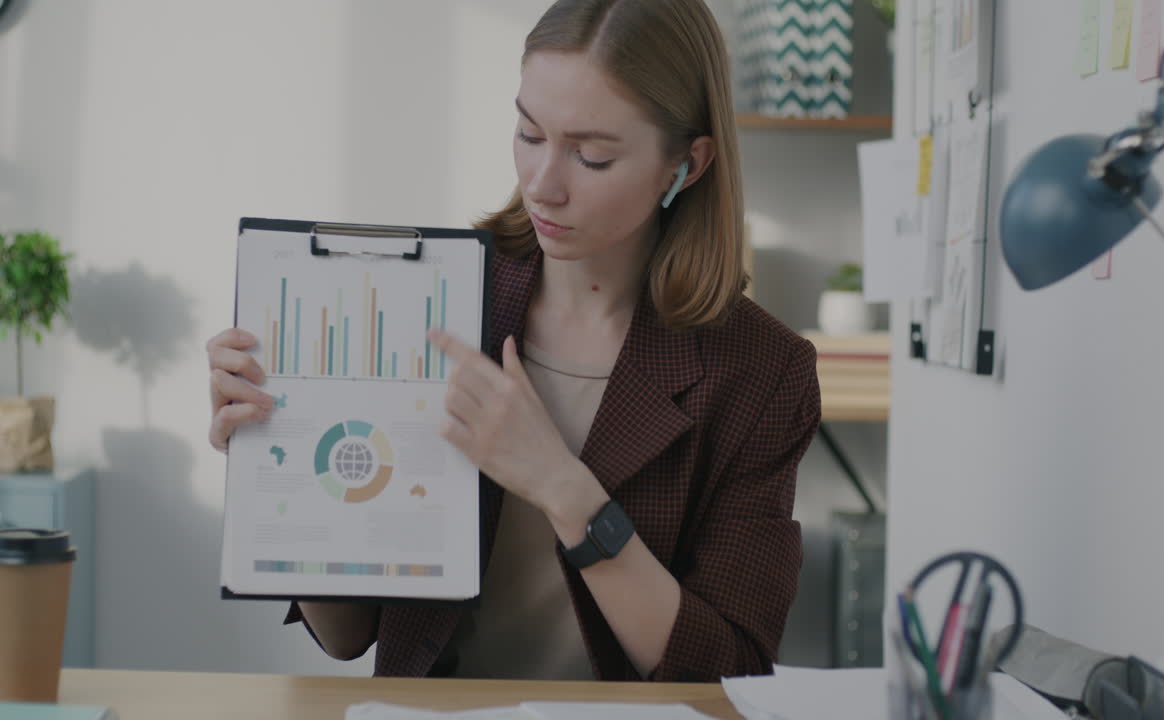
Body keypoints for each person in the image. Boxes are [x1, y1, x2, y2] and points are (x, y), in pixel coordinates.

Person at [206, 0, 820, 683]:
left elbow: (729, 672)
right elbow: (348, 636)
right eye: (529, 133)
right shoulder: (429, 300)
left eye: (592, 156)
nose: (542, 185)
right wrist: (280, 460)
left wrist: (562, 486)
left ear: (688, 164)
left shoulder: (762, 372)